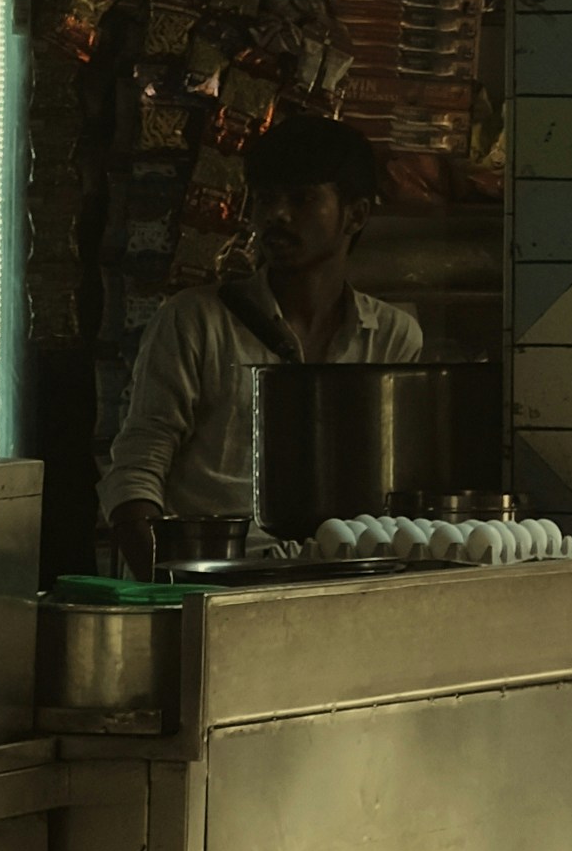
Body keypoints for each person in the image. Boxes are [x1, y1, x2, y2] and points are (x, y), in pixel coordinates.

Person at [100, 108, 423, 570]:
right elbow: (138, 464)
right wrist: (159, 580)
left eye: (302, 199)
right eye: (266, 199)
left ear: (355, 215)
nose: (277, 215)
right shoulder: (196, 321)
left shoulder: (392, 337)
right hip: (214, 576)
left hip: (340, 580)